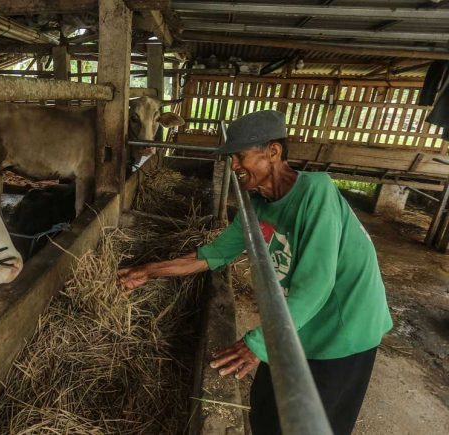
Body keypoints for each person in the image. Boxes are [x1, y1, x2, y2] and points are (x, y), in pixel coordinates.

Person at [118, 110, 392, 435]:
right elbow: (213, 255)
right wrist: (148, 271)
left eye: (239, 156)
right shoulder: (257, 204)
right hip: (297, 323)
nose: (233, 166)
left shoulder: (316, 193)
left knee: (312, 425)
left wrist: (258, 345)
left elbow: (315, 286)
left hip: (344, 329)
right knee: (264, 409)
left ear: (273, 152)